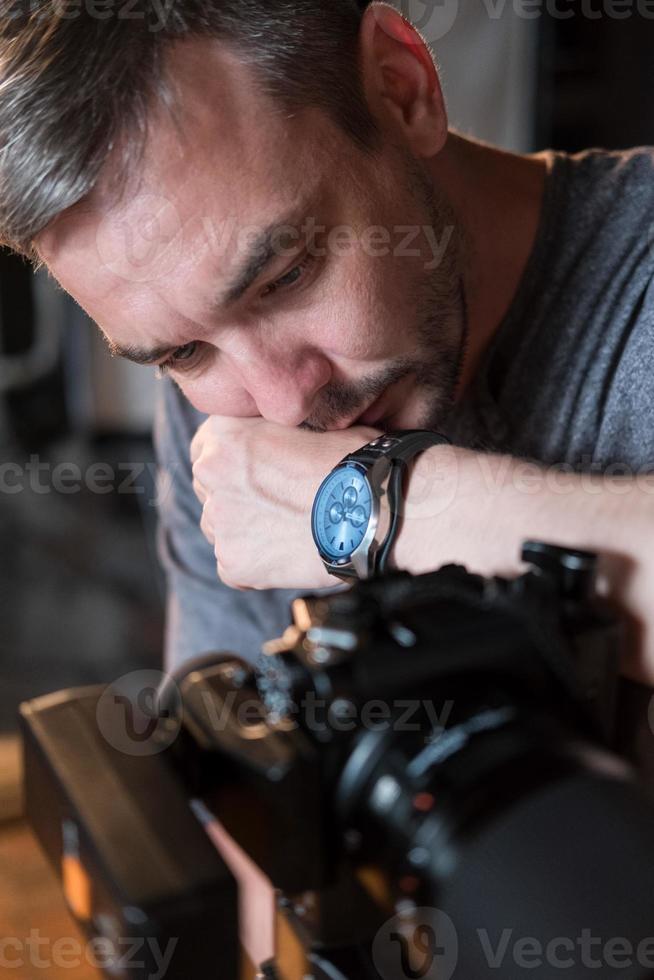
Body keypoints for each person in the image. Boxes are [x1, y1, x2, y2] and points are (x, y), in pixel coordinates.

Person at [2, 3, 654, 705]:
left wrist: (378, 506)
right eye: (184, 353)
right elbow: (233, 787)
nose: (284, 402)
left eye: (286, 277)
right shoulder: (229, 402)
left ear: (403, 89)